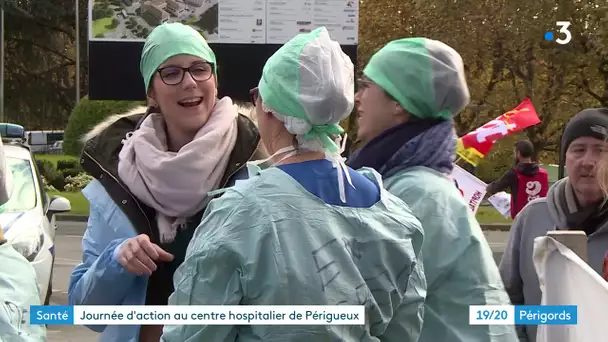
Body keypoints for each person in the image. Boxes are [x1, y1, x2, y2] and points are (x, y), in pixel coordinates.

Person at [161, 27, 427, 342]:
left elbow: (193, 333)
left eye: (258, 94)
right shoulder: (395, 216)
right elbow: (405, 330)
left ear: (270, 108)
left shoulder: (239, 215)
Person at [68, 22, 265, 342]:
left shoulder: (259, 168)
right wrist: (117, 259)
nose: (189, 82)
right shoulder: (117, 175)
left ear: (214, 80)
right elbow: (86, 311)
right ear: (151, 92)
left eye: (200, 69)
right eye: (171, 72)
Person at [346, 37, 518, 341]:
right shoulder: (413, 182)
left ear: (399, 103)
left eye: (367, 85)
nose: (358, 98)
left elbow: (365, 304)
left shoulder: (416, 193)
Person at [500, 107, 608, 342]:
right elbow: (505, 298)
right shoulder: (531, 217)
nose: (588, 161)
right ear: (564, 158)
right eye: (578, 150)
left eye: (600, 150)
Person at [486, 140, 549, 218]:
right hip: (540, 215)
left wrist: (487, 187)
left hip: (521, 217)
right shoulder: (543, 174)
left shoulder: (514, 174)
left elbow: (495, 187)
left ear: (518, 154)